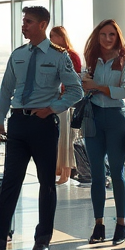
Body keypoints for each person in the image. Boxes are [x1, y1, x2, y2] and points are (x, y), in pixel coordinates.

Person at [0, 5, 81, 250]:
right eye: (23, 21)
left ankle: (43, 239)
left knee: (46, 184)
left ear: (42, 25)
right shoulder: (18, 55)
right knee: (11, 181)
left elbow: (76, 90)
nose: (24, 25)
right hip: (17, 123)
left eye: (28, 21)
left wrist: (52, 108)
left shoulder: (58, 56)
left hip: (43, 125)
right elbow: (5, 90)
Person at [78, 19, 125, 246]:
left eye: (112, 34)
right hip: (92, 118)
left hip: (115, 120)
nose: (108, 39)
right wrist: (86, 84)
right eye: (103, 34)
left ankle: (121, 225)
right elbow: (84, 85)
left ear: (117, 37)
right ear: (97, 36)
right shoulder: (92, 60)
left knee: (118, 172)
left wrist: (97, 87)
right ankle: (99, 224)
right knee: (97, 175)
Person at [47, 26, 81, 184]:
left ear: (61, 37)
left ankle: (65, 173)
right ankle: (59, 170)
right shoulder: (55, 55)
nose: (51, 39)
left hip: (66, 102)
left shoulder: (71, 56)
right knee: (59, 137)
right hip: (57, 100)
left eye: (53, 36)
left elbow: (74, 80)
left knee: (66, 138)